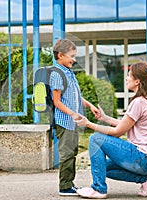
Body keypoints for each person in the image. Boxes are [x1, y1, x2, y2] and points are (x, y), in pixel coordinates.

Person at [74, 61, 147, 199]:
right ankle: (146, 180)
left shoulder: (139, 102)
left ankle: (98, 189)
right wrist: (105, 118)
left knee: (95, 139)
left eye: (129, 75)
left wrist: (88, 124)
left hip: (146, 158)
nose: (126, 78)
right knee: (101, 167)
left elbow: (118, 132)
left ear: (137, 81)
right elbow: (125, 125)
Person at [50, 38, 99, 196]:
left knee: (72, 152)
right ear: (60, 55)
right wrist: (72, 113)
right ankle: (64, 187)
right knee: (67, 153)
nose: (74, 59)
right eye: (71, 55)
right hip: (65, 122)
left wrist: (89, 105)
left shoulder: (68, 72)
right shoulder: (57, 73)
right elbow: (57, 101)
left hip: (72, 121)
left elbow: (75, 96)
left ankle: (69, 183)